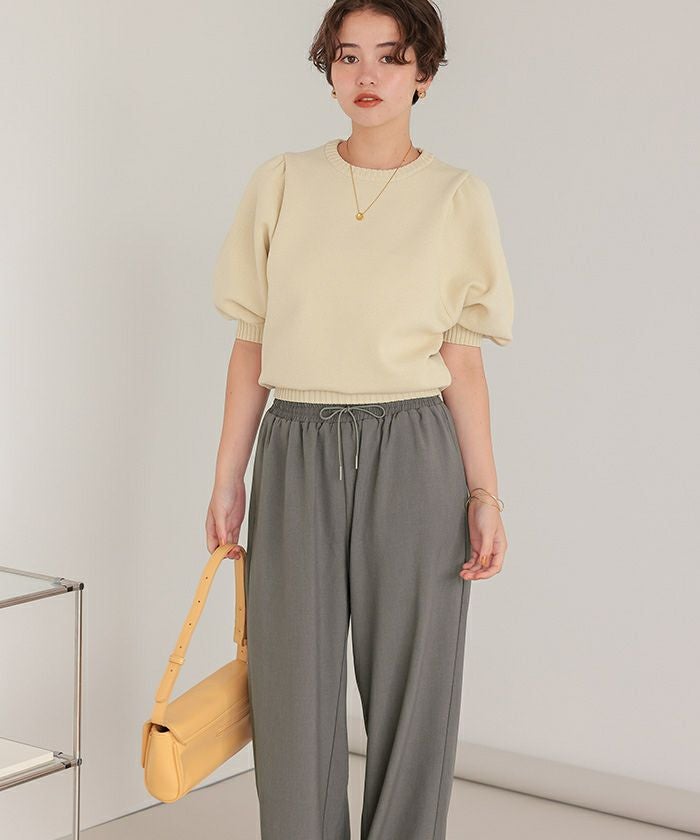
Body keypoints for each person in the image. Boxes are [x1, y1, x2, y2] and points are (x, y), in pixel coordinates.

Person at [206, 2, 514, 837]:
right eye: (348, 57)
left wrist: (484, 493)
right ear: (329, 71)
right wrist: (229, 477)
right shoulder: (281, 181)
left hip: (413, 446)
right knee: (289, 686)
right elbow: (250, 342)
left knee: (416, 686)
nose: (367, 75)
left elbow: (462, 360)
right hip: (296, 446)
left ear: (424, 73)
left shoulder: (457, 196)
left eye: (390, 56)